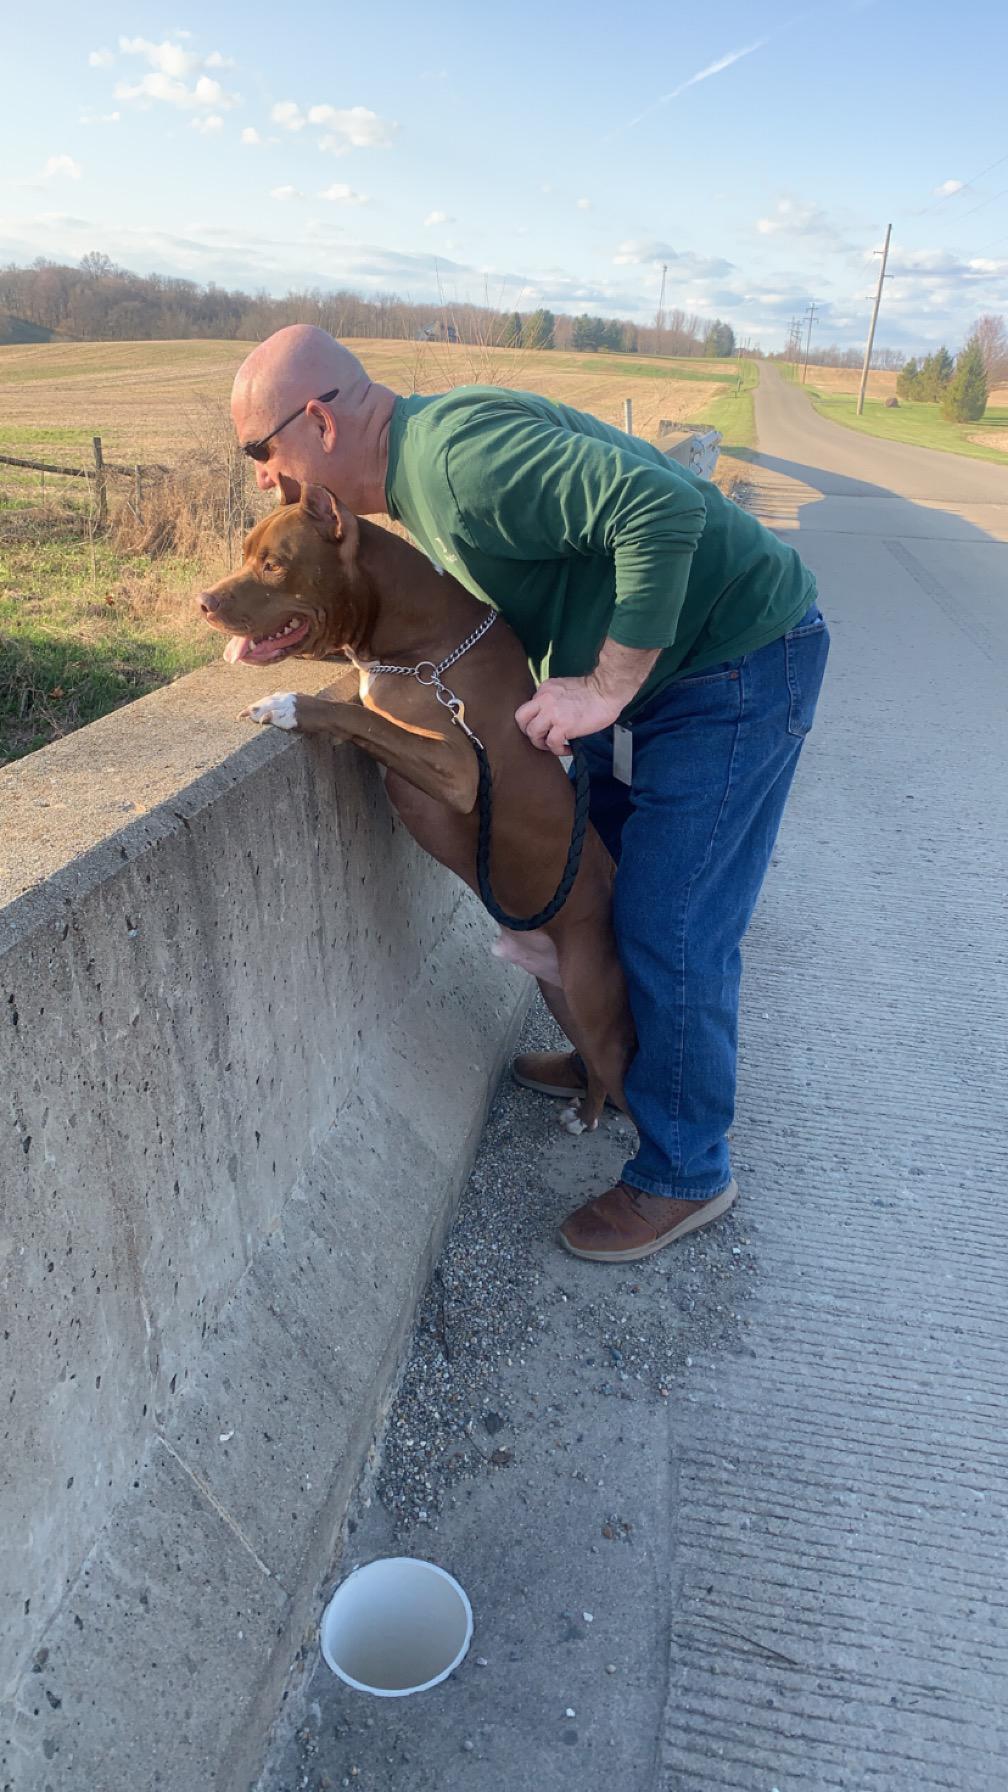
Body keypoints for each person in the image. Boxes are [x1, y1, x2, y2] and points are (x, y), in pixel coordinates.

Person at [230, 325, 830, 1264]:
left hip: (738, 660)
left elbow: (661, 507)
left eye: (260, 451)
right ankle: (618, 1060)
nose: (265, 476)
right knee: (628, 897)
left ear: (317, 421)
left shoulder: (459, 464)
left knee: (675, 921)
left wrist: (605, 688)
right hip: (689, 667)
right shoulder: (422, 472)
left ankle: (687, 1171)